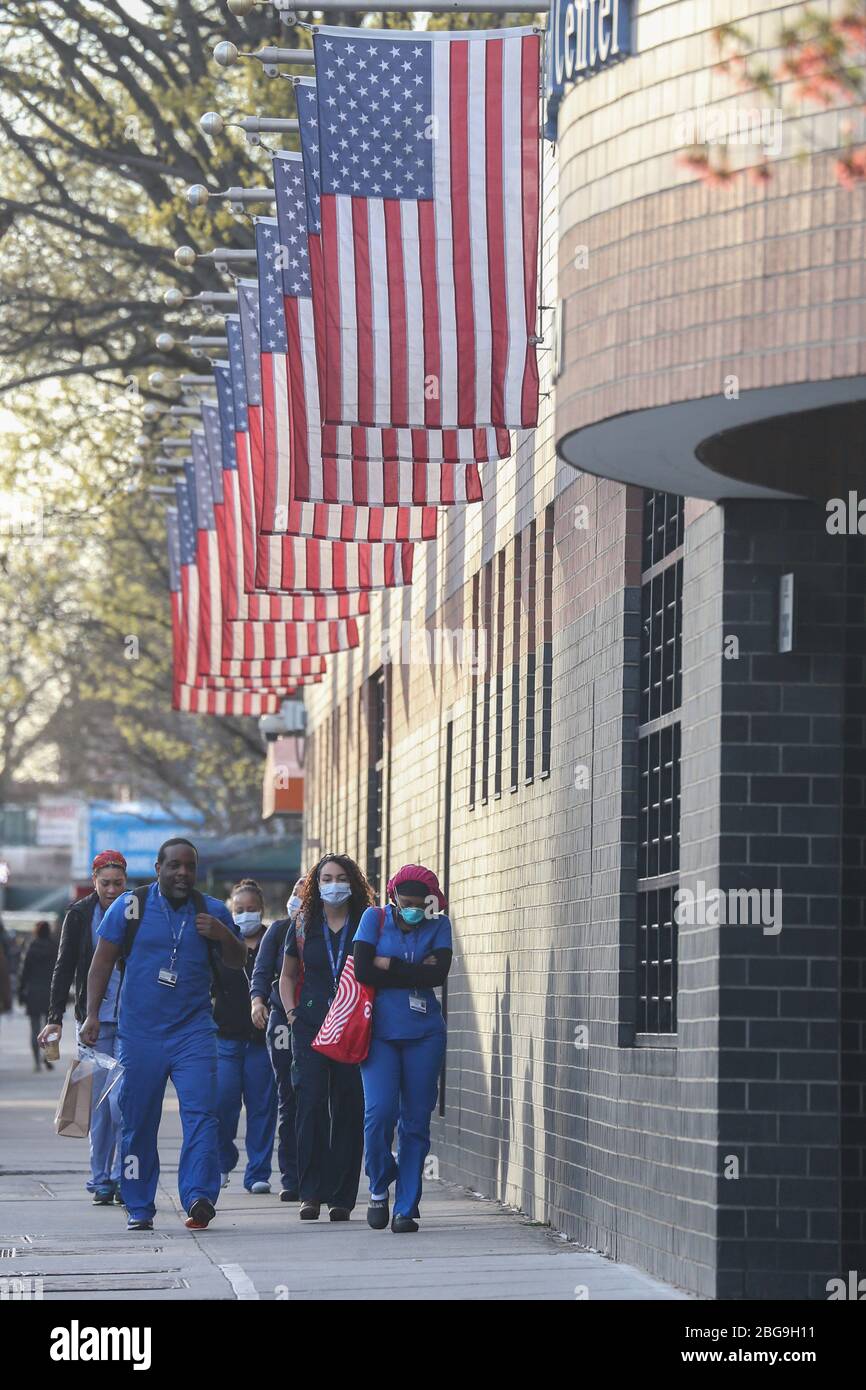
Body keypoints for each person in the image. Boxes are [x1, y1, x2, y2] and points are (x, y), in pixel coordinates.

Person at [81, 838, 246, 1233]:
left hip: (193, 1033)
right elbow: (101, 963)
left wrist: (224, 935)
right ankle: (139, 1204)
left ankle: (199, 1196)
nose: (182, 874)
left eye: (189, 866)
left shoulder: (212, 910)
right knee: (137, 1119)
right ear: (158, 868)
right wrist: (90, 1016)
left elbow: (239, 960)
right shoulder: (130, 906)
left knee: (203, 1115)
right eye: (174, 866)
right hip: (139, 1035)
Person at [353, 864, 453, 1233]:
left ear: (431, 903)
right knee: (379, 1114)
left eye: (419, 905)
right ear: (393, 897)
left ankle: (406, 1207)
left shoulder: (439, 926)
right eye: (404, 902)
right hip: (379, 1032)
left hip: (425, 1033)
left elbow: (436, 976)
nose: (411, 910)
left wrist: (389, 964)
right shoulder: (373, 919)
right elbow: (363, 970)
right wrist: (411, 968)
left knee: (415, 1122)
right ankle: (379, 1185)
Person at [278, 855, 371, 1221]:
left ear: (353, 883)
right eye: (326, 878)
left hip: (352, 1027)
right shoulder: (303, 924)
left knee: (348, 1105)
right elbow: (286, 977)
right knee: (311, 1104)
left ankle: (342, 1197)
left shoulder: (367, 922)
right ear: (316, 885)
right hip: (312, 1025)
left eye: (341, 878)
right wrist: (291, 1013)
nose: (334, 884)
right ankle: (311, 1192)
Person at [41, 851, 128, 1204]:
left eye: (118, 884)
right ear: (93, 881)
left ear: (126, 882)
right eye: (105, 883)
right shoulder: (78, 915)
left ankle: (126, 1176)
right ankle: (100, 1178)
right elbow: (63, 968)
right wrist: (54, 1019)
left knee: (122, 1101)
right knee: (97, 1104)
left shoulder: (136, 910)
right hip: (91, 1022)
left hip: (131, 1020)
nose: (111, 890)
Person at [214, 878, 278, 1195]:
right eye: (240, 909)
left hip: (261, 1042)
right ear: (231, 910)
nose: (246, 915)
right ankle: (224, 1160)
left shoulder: (273, 941)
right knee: (223, 1103)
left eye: (252, 909)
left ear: (262, 910)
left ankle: (257, 1172)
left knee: (262, 1107)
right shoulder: (222, 942)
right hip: (225, 1038)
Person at [249, 877, 304, 1202]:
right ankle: (291, 1176)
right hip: (283, 1019)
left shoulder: (327, 931)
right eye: (294, 893)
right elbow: (261, 971)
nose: (298, 899)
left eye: (303, 894)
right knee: (289, 1099)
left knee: (320, 1100)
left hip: (320, 1021)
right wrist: (258, 1001)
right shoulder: (279, 931)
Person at [18, 921, 58, 1073]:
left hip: (33, 992)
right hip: (51, 992)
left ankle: (37, 1061)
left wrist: (21, 992)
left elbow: (24, 972)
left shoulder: (31, 947)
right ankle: (49, 1057)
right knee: (52, 1027)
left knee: (35, 1029)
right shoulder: (55, 948)